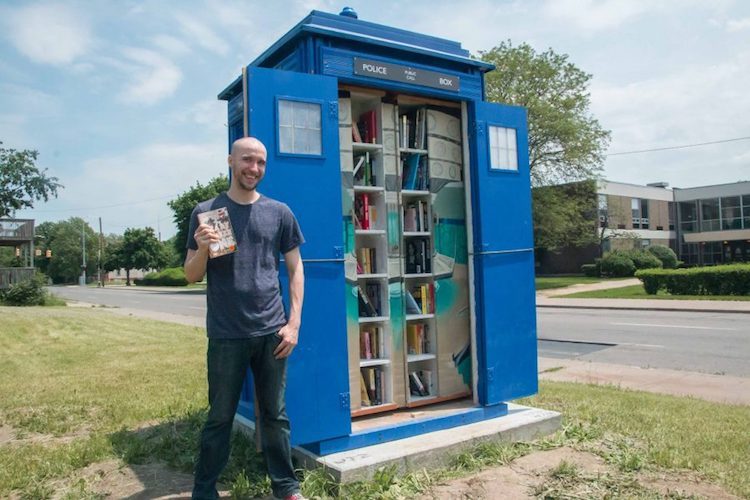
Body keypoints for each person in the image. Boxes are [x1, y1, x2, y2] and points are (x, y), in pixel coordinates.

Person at [185, 137, 306, 500]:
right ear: (230, 161)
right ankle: (204, 490)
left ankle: (286, 488)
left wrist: (294, 322)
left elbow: (295, 268)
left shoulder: (279, 211)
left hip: (272, 331)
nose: (254, 168)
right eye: (247, 160)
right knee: (220, 418)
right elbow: (191, 275)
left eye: (261, 162)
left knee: (275, 417)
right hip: (226, 334)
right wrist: (204, 246)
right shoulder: (206, 212)